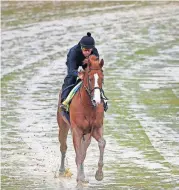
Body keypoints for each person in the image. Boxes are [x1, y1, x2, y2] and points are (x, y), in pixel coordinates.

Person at [60, 32, 108, 112]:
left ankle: (103, 99)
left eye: (89, 50)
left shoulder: (95, 52)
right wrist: (79, 74)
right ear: (81, 47)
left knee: (95, 78)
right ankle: (65, 101)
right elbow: (71, 71)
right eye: (85, 50)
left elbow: (95, 68)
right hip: (74, 63)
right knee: (71, 78)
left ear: (92, 49)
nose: (87, 52)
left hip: (87, 64)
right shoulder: (74, 52)